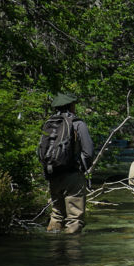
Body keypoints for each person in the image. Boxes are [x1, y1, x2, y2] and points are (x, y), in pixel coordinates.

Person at [45, 93, 94, 234]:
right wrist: (83, 168)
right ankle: (72, 250)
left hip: (53, 173)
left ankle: (54, 249)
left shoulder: (50, 124)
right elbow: (88, 151)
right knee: (74, 218)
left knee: (57, 214)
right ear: (71, 106)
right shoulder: (77, 124)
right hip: (72, 174)